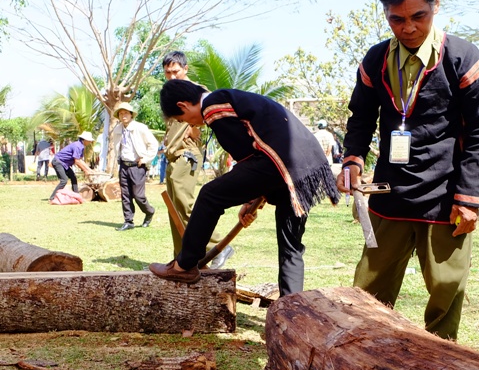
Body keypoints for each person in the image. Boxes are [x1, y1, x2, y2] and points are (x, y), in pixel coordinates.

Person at [336, 0, 479, 341]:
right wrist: (353, 159)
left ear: (436, 4)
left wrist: (470, 199)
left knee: (446, 288)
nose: (407, 27)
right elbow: (360, 116)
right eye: (396, 19)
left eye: (417, 16)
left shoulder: (463, 59)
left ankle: (442, 361)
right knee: (367, 289)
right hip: (390, 193)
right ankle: (361, 356)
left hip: (446, 196)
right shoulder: (375, 60)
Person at [149, 80, 341, 295]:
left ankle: (184, 266)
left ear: (183, 106)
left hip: (280, 162)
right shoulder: (232, 98)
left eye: (181, 119)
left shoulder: (212, 106)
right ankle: (291, 307)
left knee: (210, 195)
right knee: (290, 247)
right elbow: (254, 158)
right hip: (307, 167)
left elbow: (246, 157)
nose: (189, 124)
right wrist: (251, 199)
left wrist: (250, 196)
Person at [161, 51, 234, 268]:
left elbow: (212, 104)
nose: (172, 76)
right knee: (174, 207)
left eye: (176, 71)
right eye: (167, 73)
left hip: (188, 153)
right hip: (173, 154)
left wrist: (195, 126)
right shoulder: (170, 93)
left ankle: (218, 245)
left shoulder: (196, 90)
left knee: (186, 204)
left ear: (185, 69)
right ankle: (181, 257)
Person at [112, 102, 158, 231]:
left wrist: (146, 158)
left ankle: (149, 211)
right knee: (125, 195)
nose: (123, 116)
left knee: (138, 196)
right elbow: (117, 146)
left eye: (126, 113)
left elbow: (153, 144)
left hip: (137, 166)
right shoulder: (118, 129)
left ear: (131, 114)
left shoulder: (140, 128)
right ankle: (128, 221)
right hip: (124, 165)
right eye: (121, 113)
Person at [49, 132, 95, 201]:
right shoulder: (78, 146)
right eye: (89, 140)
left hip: (64, 164)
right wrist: (85, 170)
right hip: (59, 162)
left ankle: (76, 196)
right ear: (85, 140)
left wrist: (89, 170)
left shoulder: (81, 146)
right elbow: (77, 161)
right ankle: (52, 198)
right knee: (64, 180)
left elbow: (80, 160)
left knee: (73, 178)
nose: (90, 142)